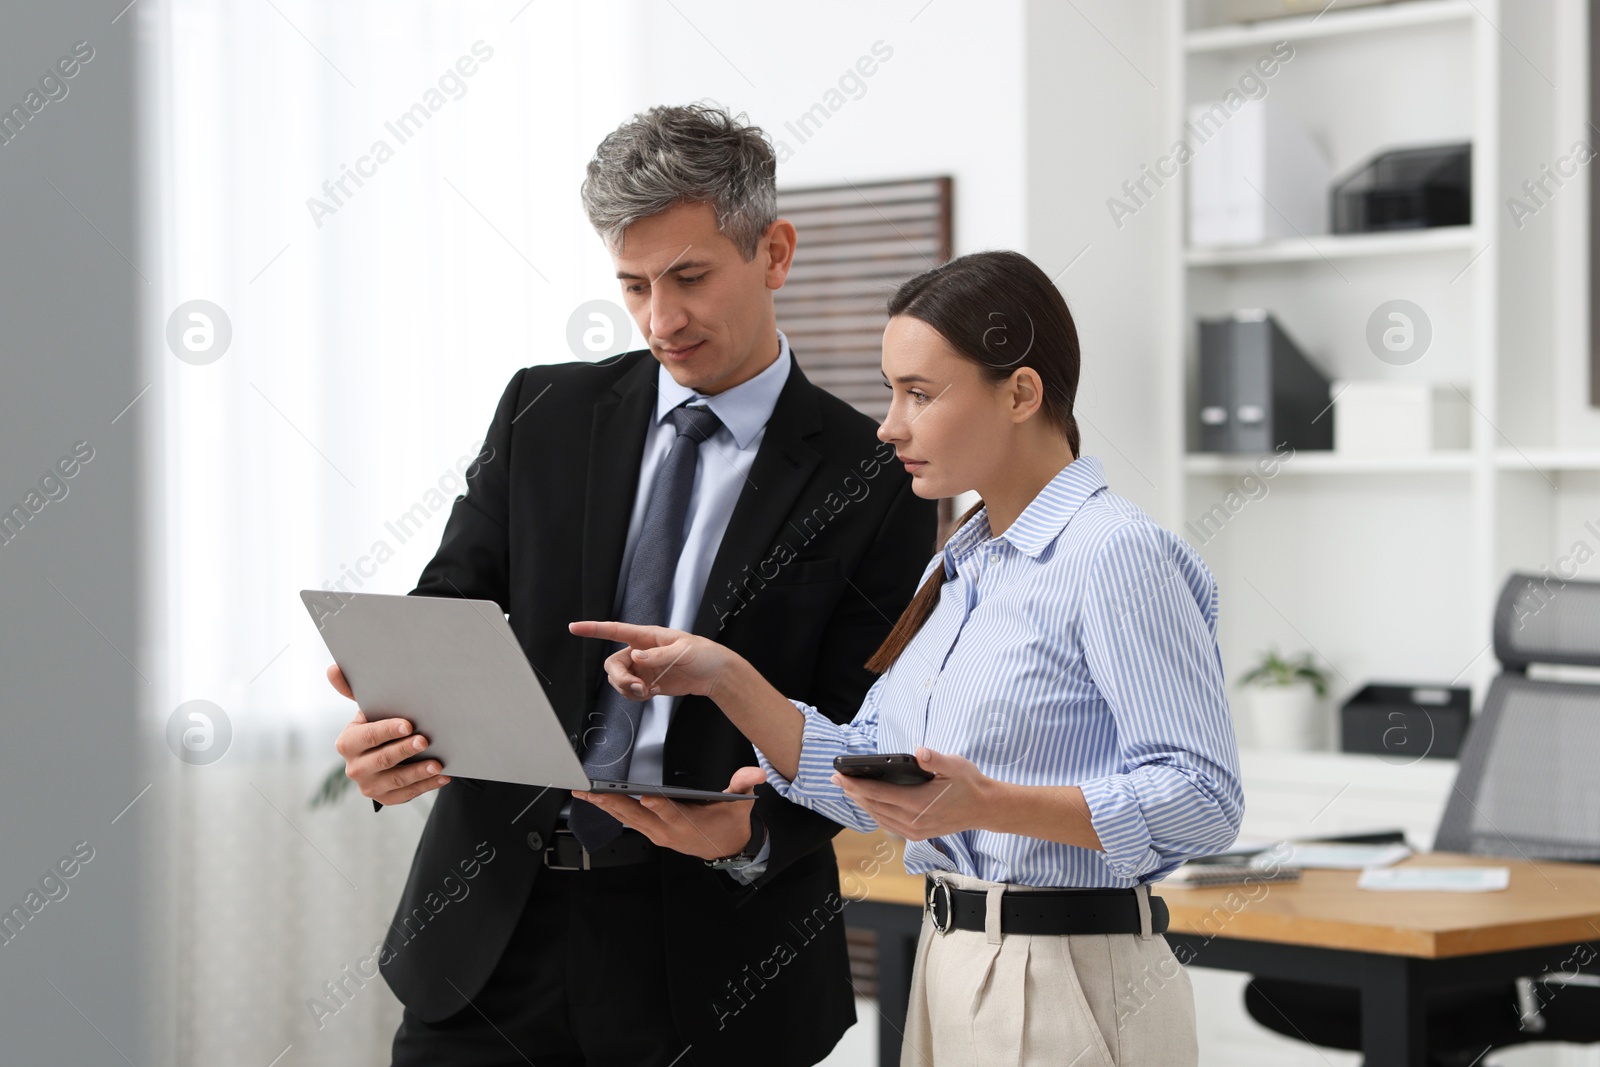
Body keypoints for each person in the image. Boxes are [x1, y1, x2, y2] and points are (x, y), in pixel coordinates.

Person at [327, 103, 937, 1066]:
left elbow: (869, 729)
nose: (663, 318)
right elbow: (450, 608)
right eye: (634, 284)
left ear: (774, 252)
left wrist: (750, 831)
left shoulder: (874, 476)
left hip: (717, 960)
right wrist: (390, 733)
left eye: (690, 277)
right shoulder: (544, 410)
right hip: (490, 941)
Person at [572, 249, 1245, 1067]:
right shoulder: (957, 563)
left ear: (1022, 393)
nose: (890, 424)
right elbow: (875, 780)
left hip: (1070, 974)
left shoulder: (1115, 555)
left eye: (919, 394)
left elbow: (1204, 798)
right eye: (893, 393)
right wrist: (726, 678)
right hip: (952, 958)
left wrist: (990, 804)